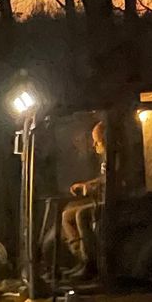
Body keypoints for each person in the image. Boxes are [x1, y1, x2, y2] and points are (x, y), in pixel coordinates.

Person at [59, 119, 105, 280]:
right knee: (67, 215)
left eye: (97, 141)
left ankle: (91, 263)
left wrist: (90, 188)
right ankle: (81, 258)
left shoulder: (116, 156)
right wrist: (86, 184)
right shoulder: (105, 158)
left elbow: (116, 180)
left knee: (82, 215)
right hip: (104, 199)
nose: (94, 145)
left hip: (119, 202)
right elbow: (104, 178)